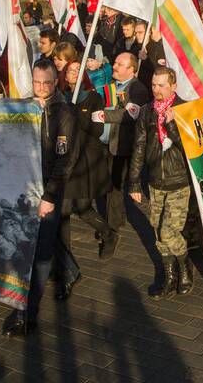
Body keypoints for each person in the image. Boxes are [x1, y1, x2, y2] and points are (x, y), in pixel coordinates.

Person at [2, 59, 80, 338]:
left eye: (48, 82)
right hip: (24, 187)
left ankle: (27, 313)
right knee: (30, 244)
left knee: (39, 252)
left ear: (56, 81)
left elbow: (65, 160)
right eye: (37, 82)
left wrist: (49, 196)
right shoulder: (25, 106)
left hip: (48, 190)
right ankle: (70, 270)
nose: (42, 87)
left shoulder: (64, 113)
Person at [128, 66, 193, 299]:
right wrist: (134, 182)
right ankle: (170, 276)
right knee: (158, 232)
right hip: (155, 181)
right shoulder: (147, 112)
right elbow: (139, 147)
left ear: (173, 86)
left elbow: (191, 148)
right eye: (154, 85)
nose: (157, 89)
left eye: (162, 85)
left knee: (169, 231)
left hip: (178, 181)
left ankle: (186, 269)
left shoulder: (184, 108)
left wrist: (172, 125)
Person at [60, 60, 114, 275]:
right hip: (65, 160)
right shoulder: (60, 97)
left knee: (82, 208)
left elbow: (97, 130)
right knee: (64, 208)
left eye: (76, 70)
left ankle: (108, 233)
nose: (73, 73)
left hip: (86, 160)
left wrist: (75, 117)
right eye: (69, 71)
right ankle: (64, 258)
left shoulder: (93, 98)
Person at [96, 52, 152, 256]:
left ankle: (112, 230)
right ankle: (116, 218)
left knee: (115, 187)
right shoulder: (111, 85)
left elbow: (130, 114)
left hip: (123, 146)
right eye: (115, 62)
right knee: (106, 184)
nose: (115, 66)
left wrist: (102, 116)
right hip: (106, 143)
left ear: (132, 70)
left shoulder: (137, 88)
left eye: (120, 64)